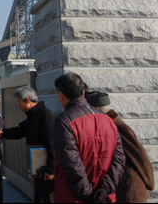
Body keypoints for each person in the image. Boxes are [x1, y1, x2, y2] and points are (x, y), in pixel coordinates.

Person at [53, 73, 125, 203]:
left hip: (74, 196)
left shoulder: (64, 120)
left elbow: (70, 162)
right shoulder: (107, 120)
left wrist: (86, 193)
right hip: (104, 196)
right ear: (83, 92)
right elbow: (119, 160)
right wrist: (104, 189)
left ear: (61, 95)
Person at [86, 91, 155, 203]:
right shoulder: (107, 123)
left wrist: (149, 182)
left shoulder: (117, 125)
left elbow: (139, 154)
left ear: (97, 108)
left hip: (130, 188)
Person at [0, 87, 56, 203]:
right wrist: (3, 133)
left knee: (47, 198)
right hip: (38, 169)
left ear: (27, 100)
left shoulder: (45, 116)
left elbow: (52, 145)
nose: (18, 105)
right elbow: (19, 131)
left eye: (19, 102)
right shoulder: (33, 116)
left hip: (46, 170)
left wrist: (51, 170)